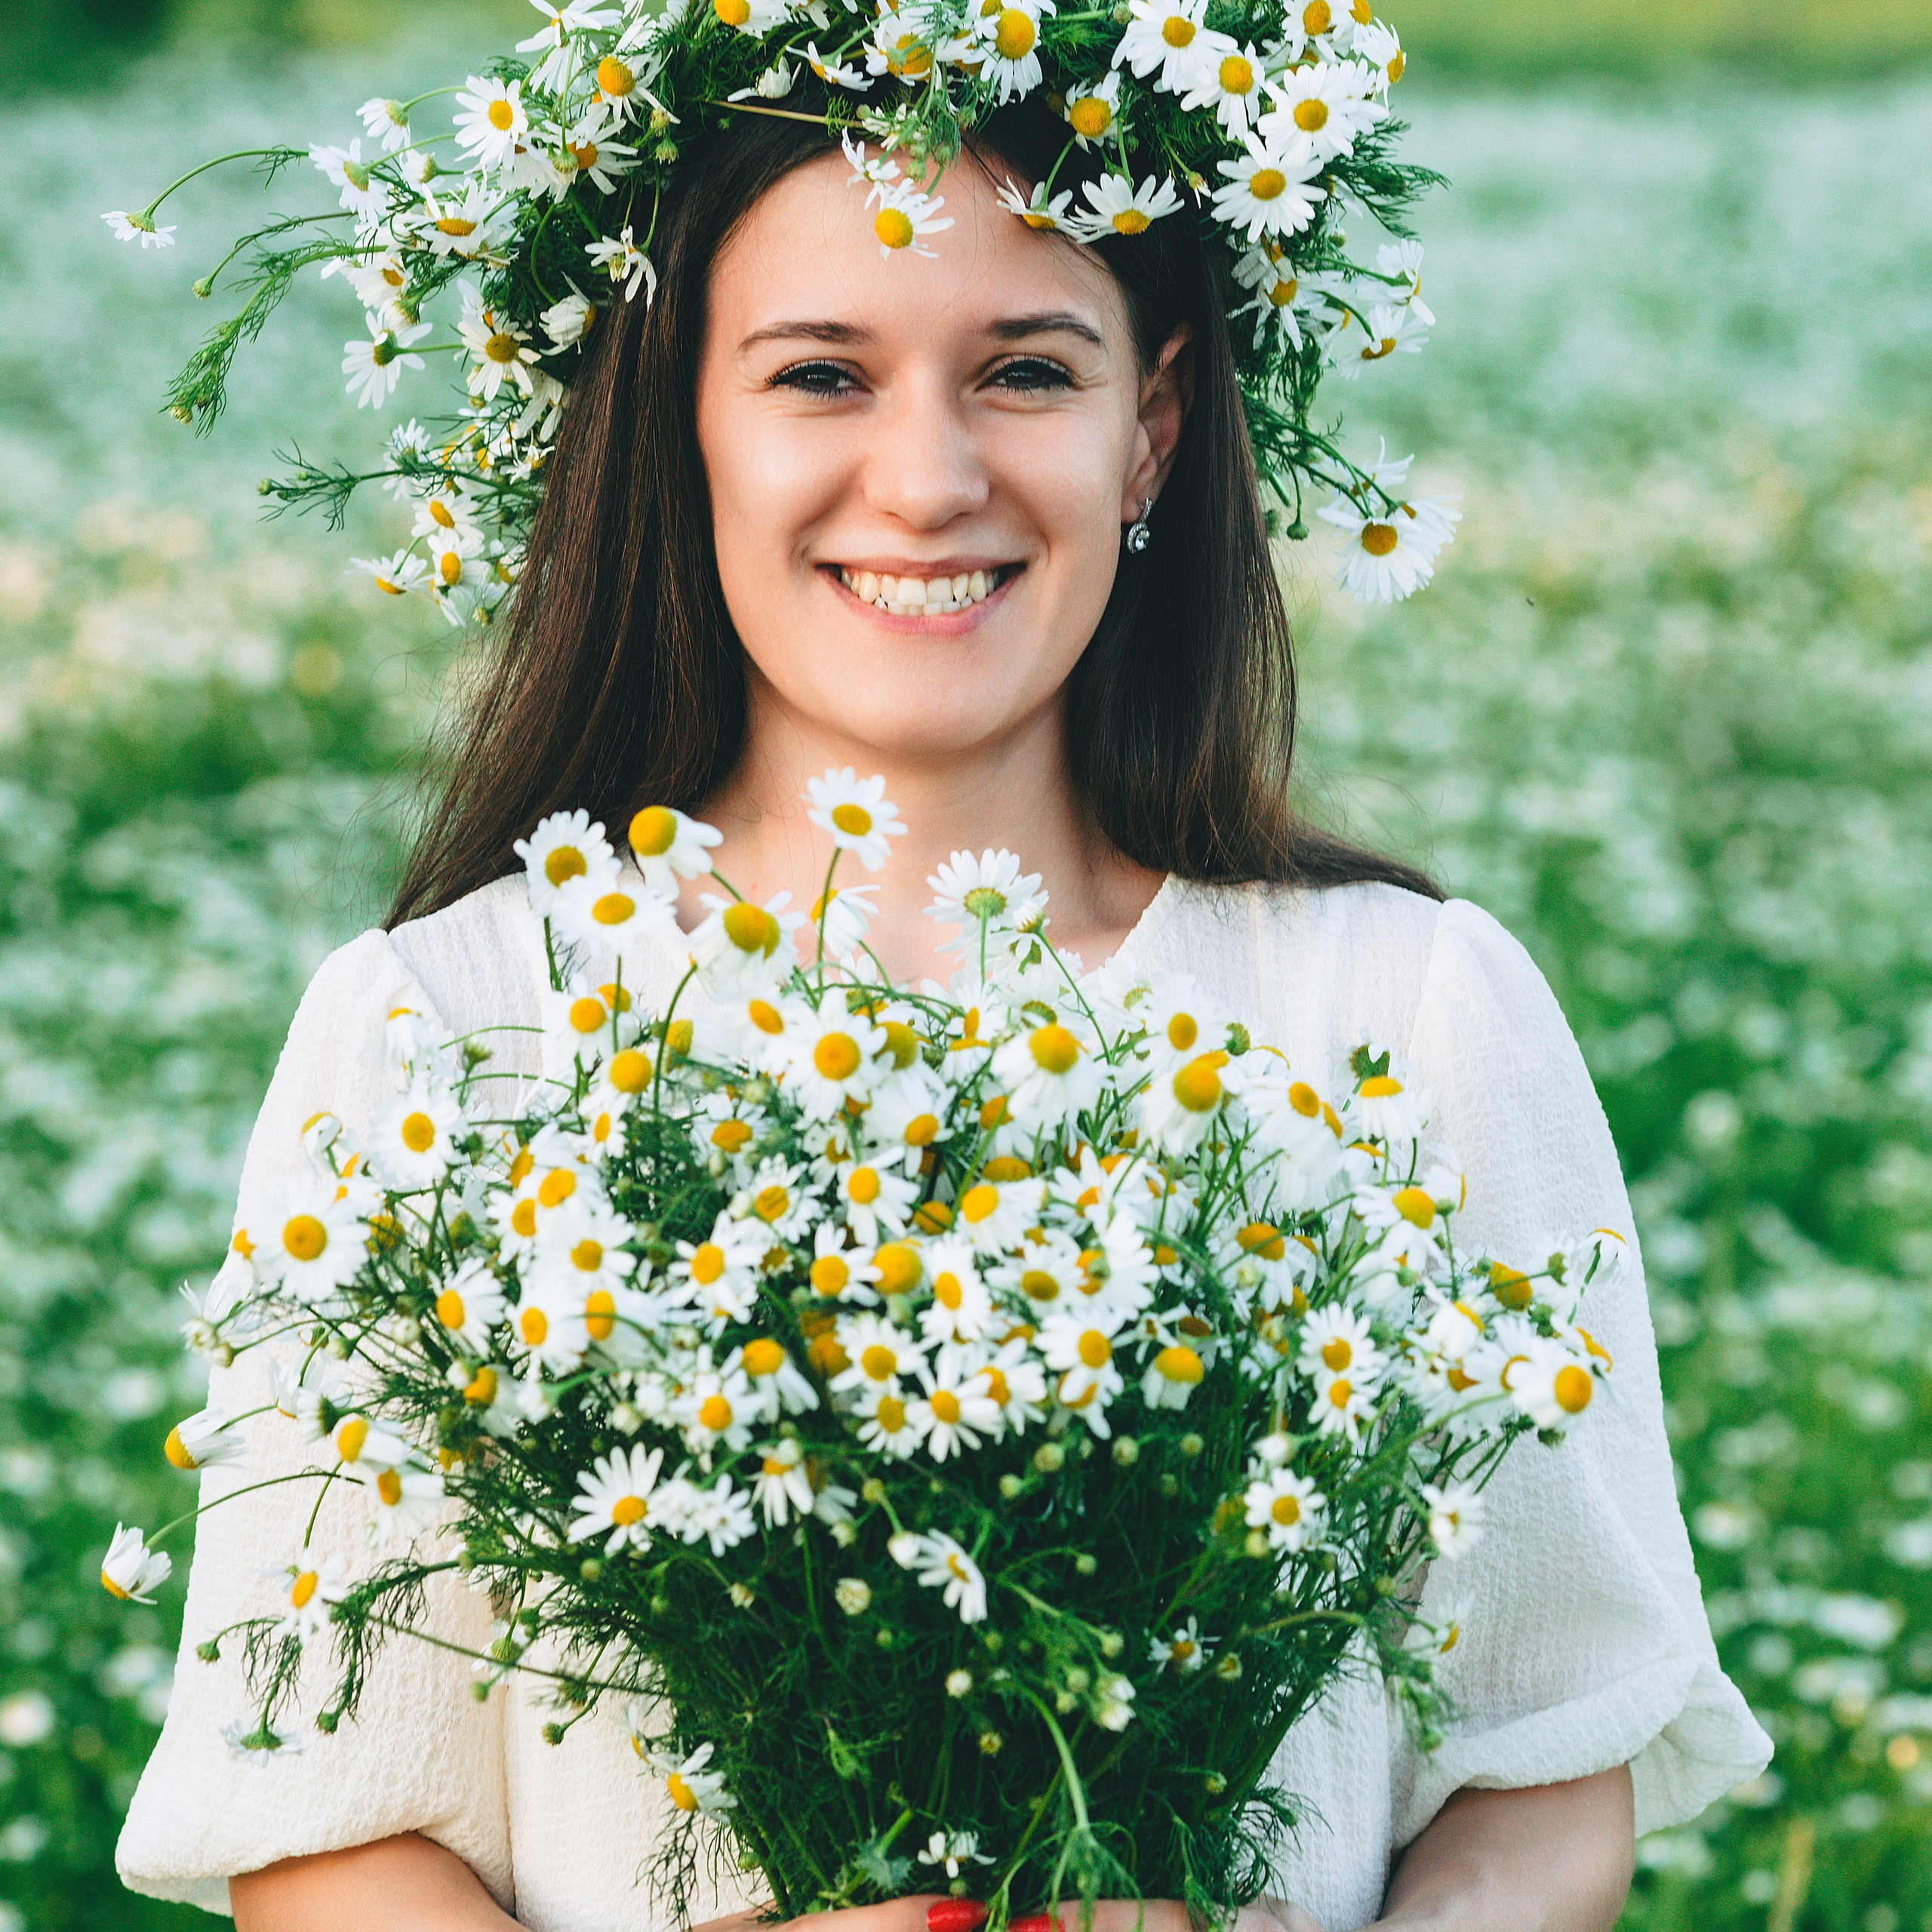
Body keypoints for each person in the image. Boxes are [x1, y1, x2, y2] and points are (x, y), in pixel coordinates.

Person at [115, 98, 1769, 1932]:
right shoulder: (439, 1029)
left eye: (1024, 373)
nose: (923, 481)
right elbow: (323, 1834)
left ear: (1149, 428)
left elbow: (1545, 1758)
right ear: (675, 426)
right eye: (819, 375)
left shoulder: (1407, 1007)